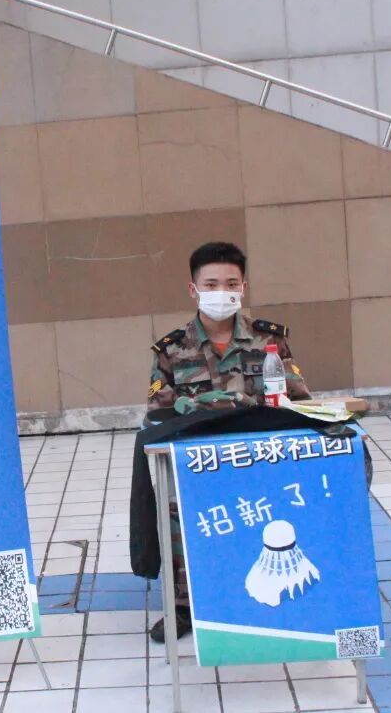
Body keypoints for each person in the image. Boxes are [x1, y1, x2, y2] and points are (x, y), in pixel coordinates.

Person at [146, 241, 311, 643]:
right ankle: (184, 606)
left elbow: (299, 399)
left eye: (231, 283)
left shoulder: (268, 340)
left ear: (244, 287)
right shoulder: (172, 349)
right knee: (178, 513)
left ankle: (273, 594)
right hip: (199, 462)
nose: (222, 292)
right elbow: (157, 410)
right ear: (193, 289)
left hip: (260, 460)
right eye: (211, 284)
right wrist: (190, 405)